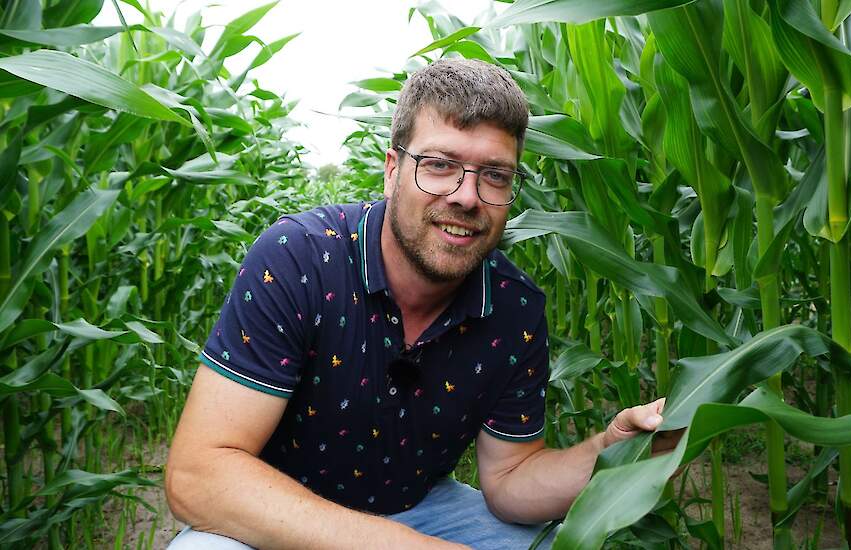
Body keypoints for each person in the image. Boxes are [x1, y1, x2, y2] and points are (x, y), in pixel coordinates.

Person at [165, 58, 678, 550]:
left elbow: (510, 479)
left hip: (422, 509)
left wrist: (610, 451)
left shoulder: (513, 308)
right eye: (439, 165)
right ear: (392, 170)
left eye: (495, 175)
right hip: (274, 512)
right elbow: (198, 475)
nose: (467, 196)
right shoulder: (301, 259)